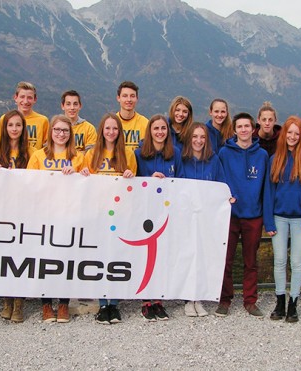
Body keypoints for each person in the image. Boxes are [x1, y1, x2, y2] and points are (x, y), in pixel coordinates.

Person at [79, 113, 137, 324]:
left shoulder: (128, 153)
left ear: (119, 132)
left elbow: (133, 185)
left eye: (115, 128)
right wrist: (83, 173)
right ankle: (103, 304)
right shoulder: (92, 153)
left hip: (119, 214)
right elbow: (84, 182)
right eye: (107, 128)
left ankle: (115, 304)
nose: (111, 132)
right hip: (98, 213)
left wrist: (131, 176)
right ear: (101, 130)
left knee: (117, 257)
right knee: (100, 258)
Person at [27, 115, 84, 323]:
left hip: (67, 214)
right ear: (51, 132)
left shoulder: (77, 157)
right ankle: (45, 303)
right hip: (44, 214)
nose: (61, 134)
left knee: (65, 259)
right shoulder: (38, 156)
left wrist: (79, 173)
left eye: (65, 131)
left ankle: (63, 303)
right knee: (44, 259)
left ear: (71, 134)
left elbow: (86, 183)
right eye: (57, 130)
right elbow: (29, 184)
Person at [263, 116, 301, 322]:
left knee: (296, 262)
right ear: (284, 134)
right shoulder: (275, 158)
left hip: (299, 220)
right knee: (279, 261)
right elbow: (268, 192)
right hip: (278, 217)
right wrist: (268, 221)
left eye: (297, 133)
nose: (293, 136)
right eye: (289, 132)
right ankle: (280, 301)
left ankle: (293, 303)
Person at [217, 112, 268, 318]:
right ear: (235, 129)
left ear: (253, 129)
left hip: (253, 215)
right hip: (230, 215)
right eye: (240, 126)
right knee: (226, 259)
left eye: (247, 126)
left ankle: (250, 300)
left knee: (250, 261)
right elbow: (219, 181)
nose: (244, 130)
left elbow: (265, 186)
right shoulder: (224, 153)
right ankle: (225, 299)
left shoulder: (262, 155)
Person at [134, 114, 184, 321]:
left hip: (166, 212)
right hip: (145, 213)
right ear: (150, 131)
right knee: (146, 257)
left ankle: (159, 301)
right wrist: (149, 180)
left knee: (163, 256)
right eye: (156, 129)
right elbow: (134, 183)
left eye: (163, 128)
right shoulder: (139, 154)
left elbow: (181, 180)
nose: (160, 132)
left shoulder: (176, 153)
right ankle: (146, 301)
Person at [181, 122, 226, 317]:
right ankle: (187, 299)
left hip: (206, 217)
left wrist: (227, 198)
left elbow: (221, 184)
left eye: (202, 137)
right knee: (187, 256)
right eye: (195, 137)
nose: (198, 141)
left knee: (203, 256)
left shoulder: (213, 159)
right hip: (185, 216)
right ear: (189, 139)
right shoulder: (181, 159)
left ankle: (198, 298)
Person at [0, 109, 35, 323]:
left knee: (21, 256)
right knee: (4, 256)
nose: (14, 129)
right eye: (11, 125)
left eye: (18, 125)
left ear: (23, 128)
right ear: (5, 127)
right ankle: (6, 300)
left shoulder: (31, 153)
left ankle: (19, 302)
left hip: (24, 210)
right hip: (2, 210)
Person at [0, 81, 49, 150]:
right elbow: (0, 144)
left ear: (35, 99)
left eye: (29, 98)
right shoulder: (5, 118)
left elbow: (47, 146)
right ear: (15, 98)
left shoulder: (42, 120)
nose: (25, 101)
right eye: (22, 97)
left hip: (34, 159)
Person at [116, 81, 148, 152]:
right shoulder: (112, 123)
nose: (129, 100)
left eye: (132, 96)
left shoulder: (145, 124)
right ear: (118, 98)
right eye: (125, 96)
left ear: (137, 98)